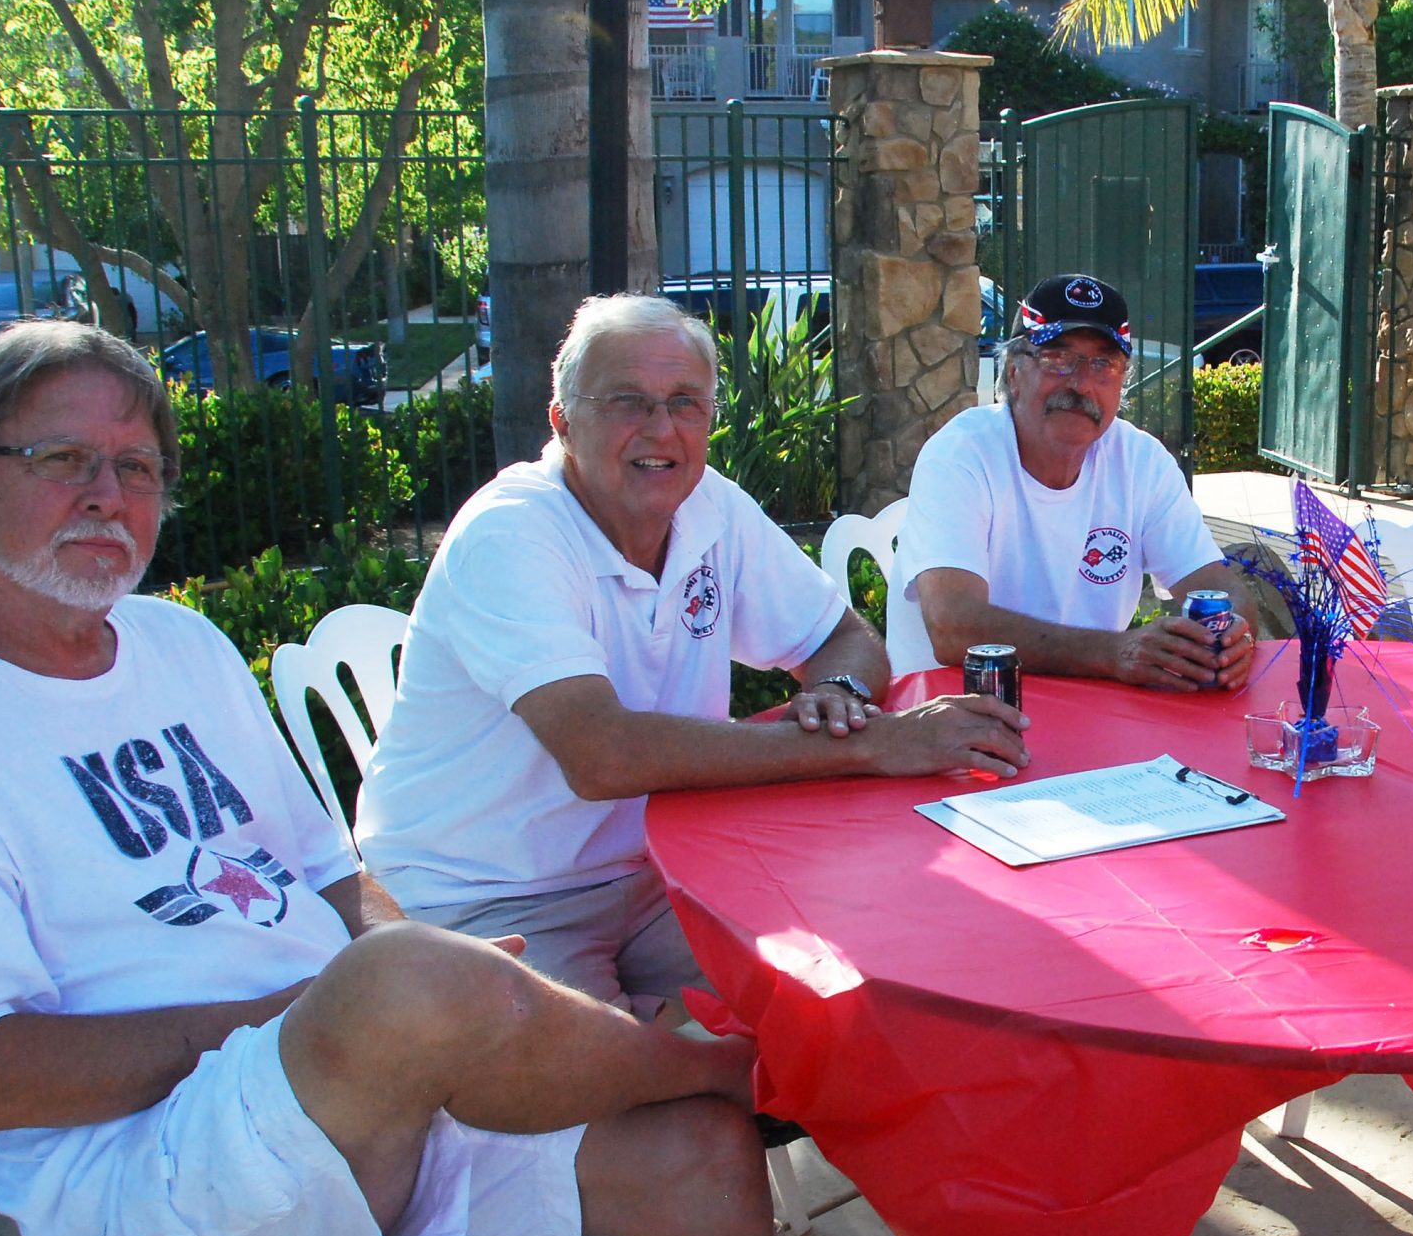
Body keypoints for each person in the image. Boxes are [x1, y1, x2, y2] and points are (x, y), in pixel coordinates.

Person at [0, 321, 792, 1236]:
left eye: (136, 469)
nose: (106, 496)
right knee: (423, 987)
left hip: (362, 1098)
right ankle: (733, 1060)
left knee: (704, 1161)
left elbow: (336, 879)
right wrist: (347, 1012)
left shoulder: (178, 647)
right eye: (60, 459)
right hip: (146, 1180)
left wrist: (412, 995)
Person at [355, 293, 1029, 1018]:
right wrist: (873, 745)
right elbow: (603, 754)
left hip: (660, 870)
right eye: (627, 402)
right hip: (484, 898)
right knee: (680, 1109)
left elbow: (845, 639)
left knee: (859, 983)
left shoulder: (709, 504)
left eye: (685, 403)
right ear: (561, 420)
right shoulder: (510, 534)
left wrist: (841, 697)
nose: (660, 428)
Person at [894, 272, 1259, 691]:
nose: (1082, 382)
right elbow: (953, 626)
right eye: (1057, 358)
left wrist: (1232, 636)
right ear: (1012, 372)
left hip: (1093, 704)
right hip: (952, 711)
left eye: (1104, 363)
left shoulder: (1141, 460)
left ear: (1122, 381)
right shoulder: (961, 454)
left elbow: (1219, 586)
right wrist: (1114, 653)